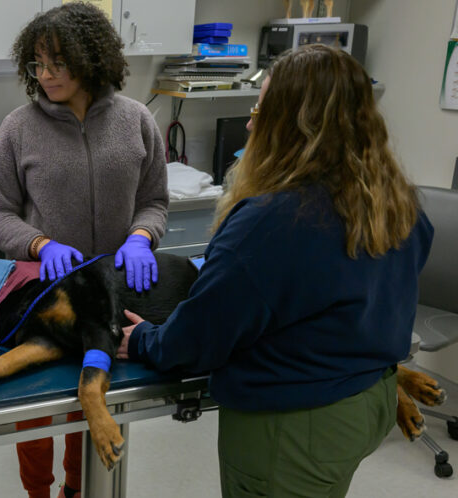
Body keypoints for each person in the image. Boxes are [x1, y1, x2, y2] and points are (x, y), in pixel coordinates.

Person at [117, 45, 434, 498]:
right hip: (368, 400)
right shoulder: (397, 202)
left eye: (259, 110)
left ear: (293, 125)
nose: (250, 123)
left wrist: (145, 340)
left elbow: (201, 336)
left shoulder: (273, 221)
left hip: (294, 427)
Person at [0, 4, 168, 497]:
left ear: (91, 57)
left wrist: (141, 237)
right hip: (47, 297)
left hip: (108, 300)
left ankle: (76, 491)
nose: (46, 75)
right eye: (37, 65)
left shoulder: (137, 121)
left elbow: (154, 202)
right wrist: (39, 244)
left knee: (97, 407)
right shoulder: (18, 128)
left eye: (57, 63)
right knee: (36, 412)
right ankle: (38, 492)